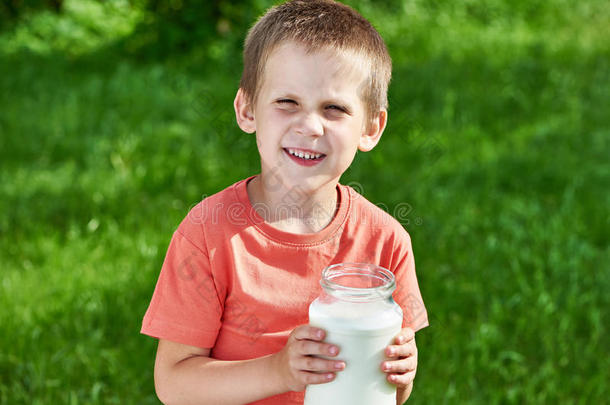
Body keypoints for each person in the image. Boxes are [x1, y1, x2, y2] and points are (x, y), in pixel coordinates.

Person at [140, 1, 428, 404]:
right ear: (246, 109)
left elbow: (390, 394)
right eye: (287, 102)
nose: (309, 126)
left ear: (371, 127)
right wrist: (280, 371)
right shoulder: (208, 234)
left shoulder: (386, 243)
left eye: (334, 108)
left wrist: (401, 374)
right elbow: (174, 385)